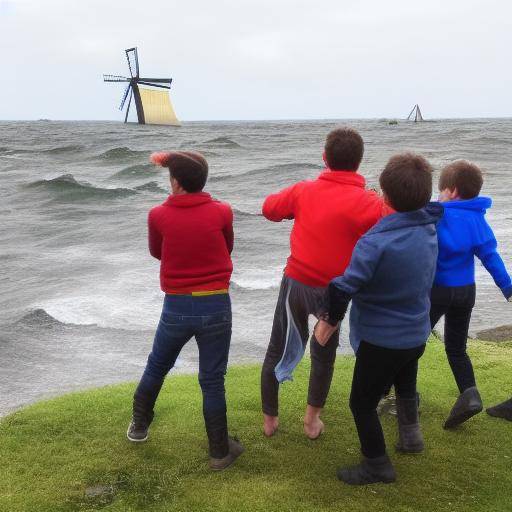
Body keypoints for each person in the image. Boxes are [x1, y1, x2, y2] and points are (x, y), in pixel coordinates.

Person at [315, 153, 441, 485]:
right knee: (405, 384)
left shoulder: (375, 242)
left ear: (384, 195)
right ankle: (411, 438)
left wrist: (327, 320)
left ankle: (377, 464)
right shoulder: (430, 225)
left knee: (361, 403)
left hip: (382, 339)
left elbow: (346, 286)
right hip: (416, 332)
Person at [260, 127, 391, 439]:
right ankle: (311, 420)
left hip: (296, 283)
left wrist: (296, 209)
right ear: (359, 163)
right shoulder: (367, 202)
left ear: (324, 158)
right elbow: (392, 217)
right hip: (334, 291)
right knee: (323, 354)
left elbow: (269, 208)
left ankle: (269, 421)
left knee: (277, 347)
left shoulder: (303, 191)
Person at [127, 150, 244, 471]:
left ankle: (139, 426)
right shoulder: (222, 211)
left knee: (157, 366)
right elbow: (226, 246)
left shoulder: (157, 215)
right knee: (212, 380)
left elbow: (157, 252)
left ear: (175, 182)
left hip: (176, 306)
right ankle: (220, 452)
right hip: (216, 303)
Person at [431, 160, 512, 429]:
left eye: (441, 190)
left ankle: (397, 393)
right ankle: (470, 393)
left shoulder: (436, 213)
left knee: (414, 343)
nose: (438, 195)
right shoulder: (477, 218)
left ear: (452, 191)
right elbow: (491, 256)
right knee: (456, 348)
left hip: (437, 290)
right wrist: (508, 288)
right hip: (466, 291)